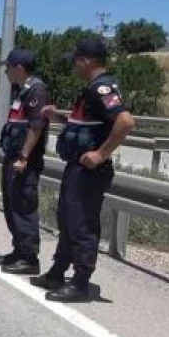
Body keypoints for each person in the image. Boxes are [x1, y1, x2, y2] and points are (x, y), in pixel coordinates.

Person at [30, 37, 135, 302]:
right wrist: (59, 117)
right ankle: (57, 271)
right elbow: (87, 125)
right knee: (67, 220)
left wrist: (101, 154)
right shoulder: (92, 89)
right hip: (77, 167)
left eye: (76, 61)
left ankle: (80, 282)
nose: (74, 67)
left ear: (85, 61)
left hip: (89, 172)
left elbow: (125, 121)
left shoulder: (103, 88)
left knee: (82, 224)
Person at [0, 48, 50, 275]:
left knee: (24, 206)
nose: (6, 72)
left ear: (19, 68)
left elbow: (36, 127)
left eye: (8, 67)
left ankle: (29, 258)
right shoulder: (22, 91)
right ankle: (19, 250)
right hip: (13, 157)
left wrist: (24, 156)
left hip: (24, 161)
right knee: (12, 205)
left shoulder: (37, 91)